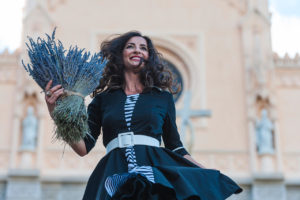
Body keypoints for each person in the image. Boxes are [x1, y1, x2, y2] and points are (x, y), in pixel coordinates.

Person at [45, 31, 242, 200]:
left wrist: (203, 171)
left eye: (143, 48)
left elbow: (176, 146)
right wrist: (55, 113)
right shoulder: (103, 100)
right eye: (130, 46)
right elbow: (83, 147)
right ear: (120, 55)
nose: (137, 50)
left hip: (153, 169)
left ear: (148, 57)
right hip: (113, 170)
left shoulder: (163, 98)